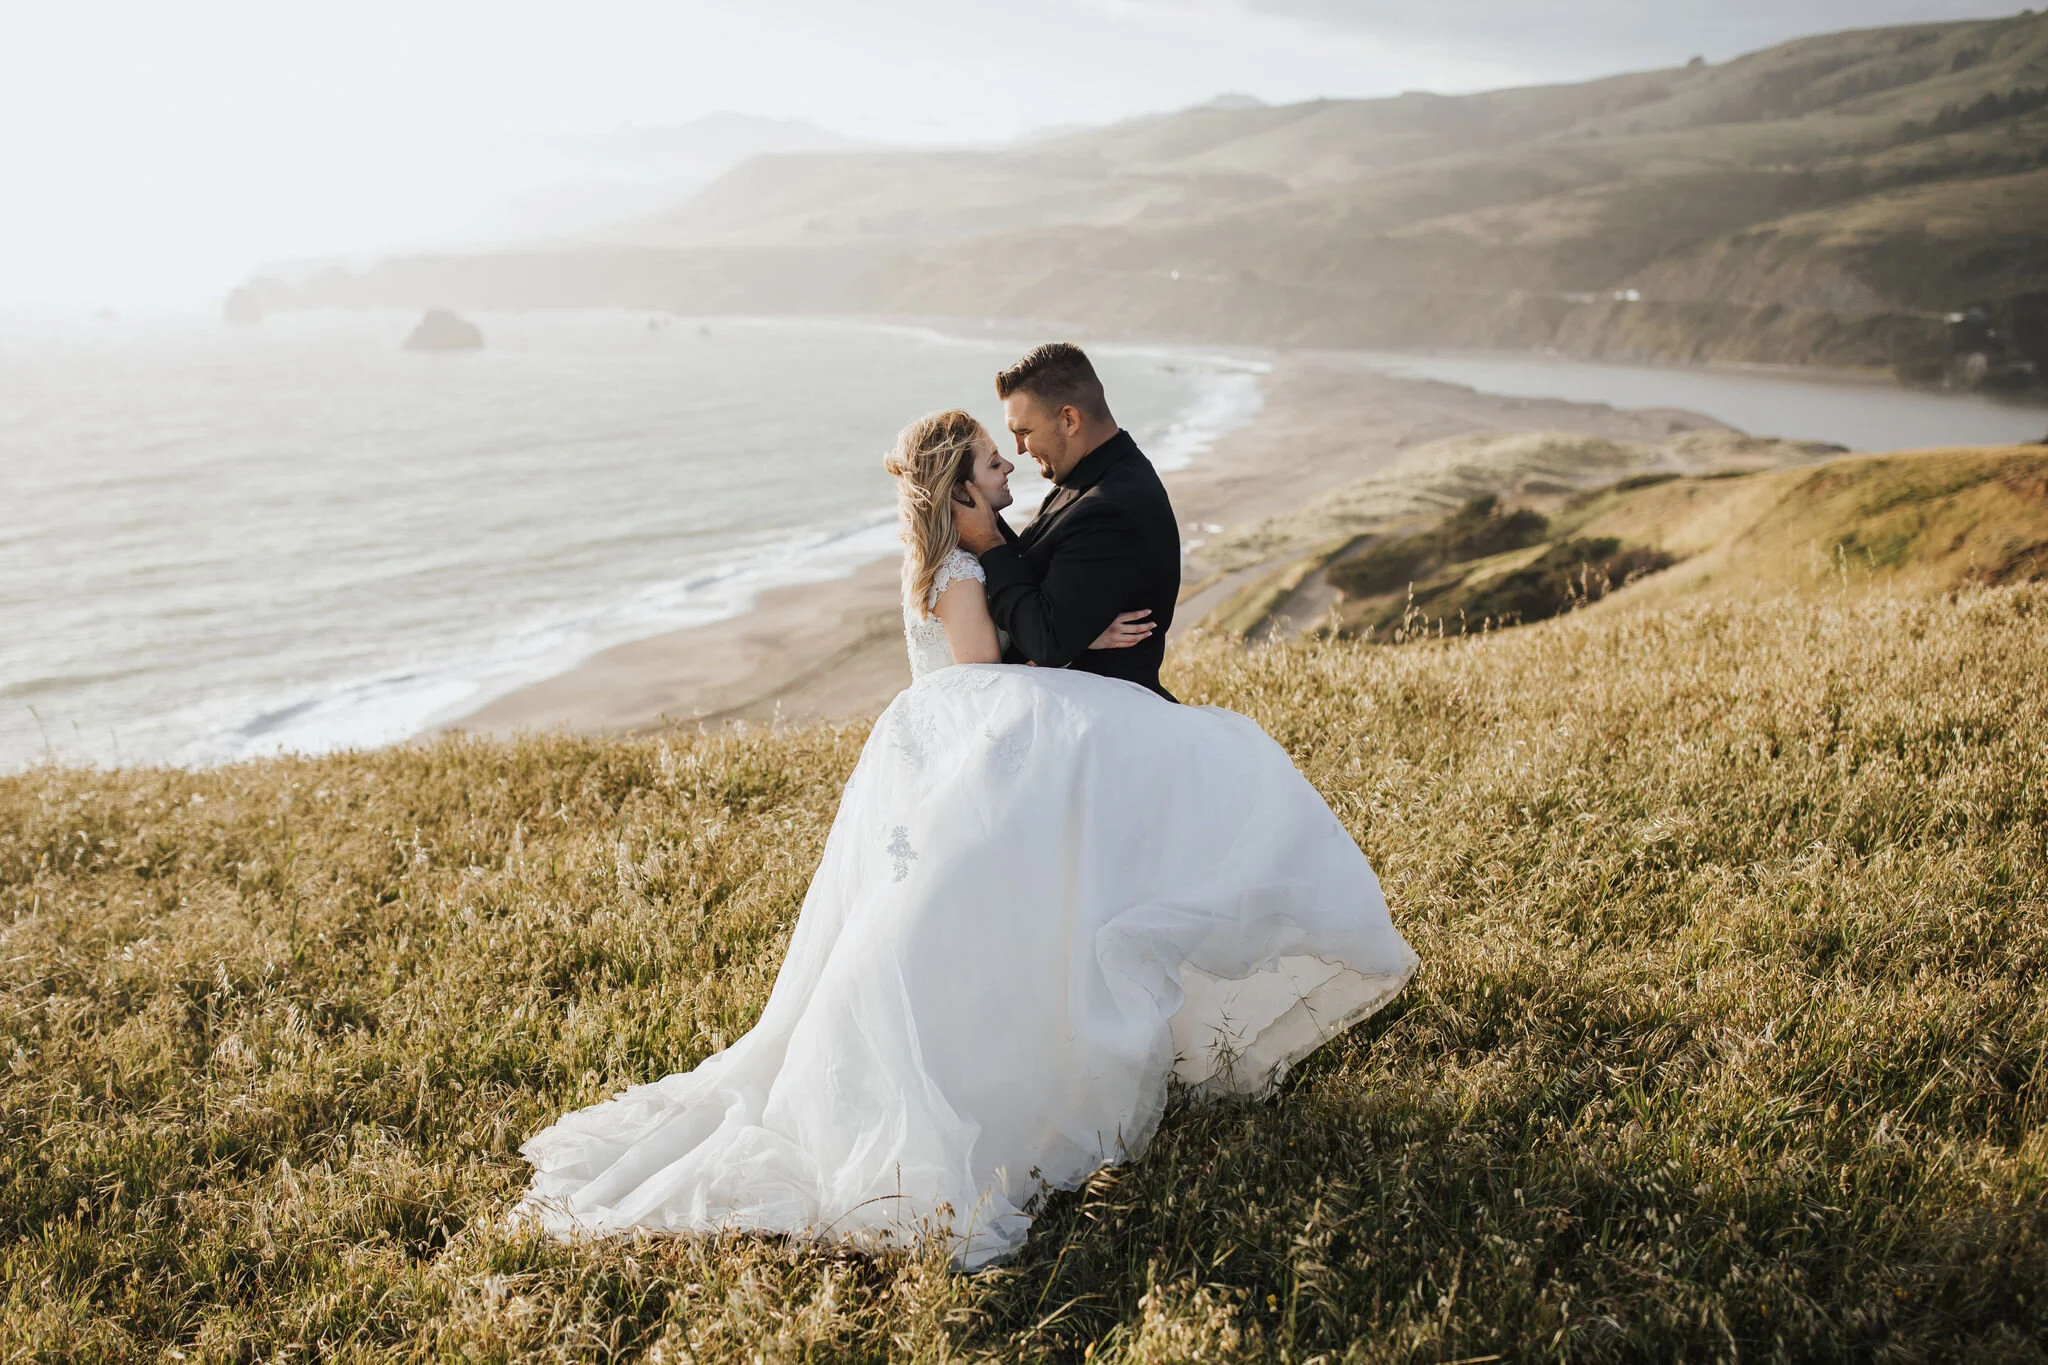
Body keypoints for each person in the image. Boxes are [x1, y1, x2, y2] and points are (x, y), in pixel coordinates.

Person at [513, 362, 1417, 1270]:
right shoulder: (973, 557)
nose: (1013, 459)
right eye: (995, 457)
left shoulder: (1075, 513)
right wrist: (1066, 629)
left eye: (1016, 438)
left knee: (974, 929)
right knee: (946, 935)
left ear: (1067, 415)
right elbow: (990, 671)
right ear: (961, 489)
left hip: (989, 753)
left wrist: (1057, 619)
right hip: (973, 753)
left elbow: (1021, 636)